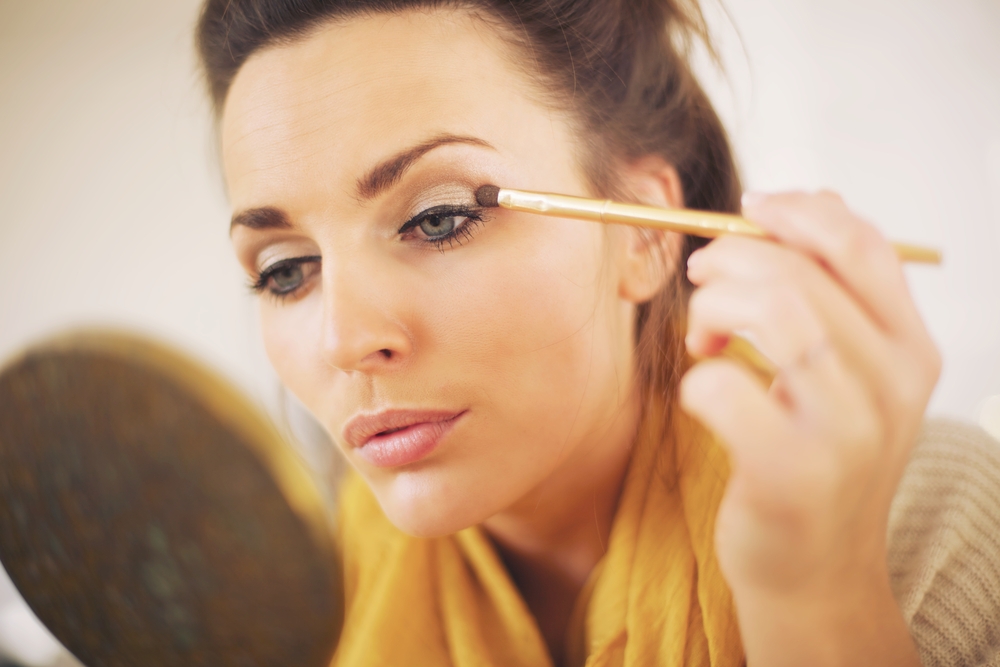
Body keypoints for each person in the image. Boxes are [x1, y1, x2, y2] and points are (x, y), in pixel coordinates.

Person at [196, 1, 1000, 665]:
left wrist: (815, 598)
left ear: (646, 234)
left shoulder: (932, 521)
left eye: (437, 219)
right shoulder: (291, 604)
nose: (343, 338)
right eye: (285, 271)